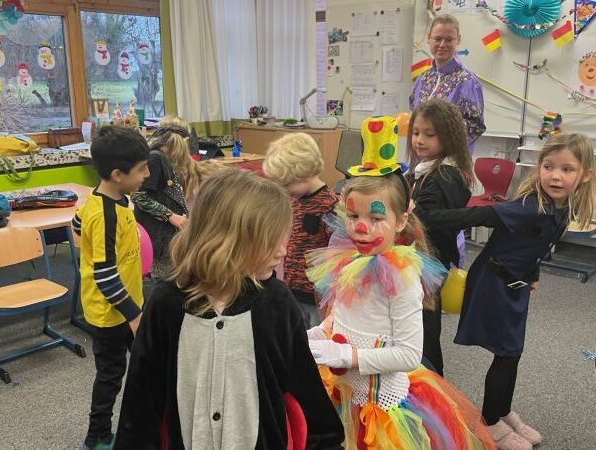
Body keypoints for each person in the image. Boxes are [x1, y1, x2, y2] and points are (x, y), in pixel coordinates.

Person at [114, 169, 345, 450]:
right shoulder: (167, 303)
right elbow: (142, 398)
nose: (282, 252)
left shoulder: (277, 302)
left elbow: (305, 386)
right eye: (270, 241)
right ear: (229, 240)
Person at [306, 117, 495, 449]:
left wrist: (349, 355)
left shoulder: (400, 277)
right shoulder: (349, 262)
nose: (361, 228)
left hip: (381, 409)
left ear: (400, 220)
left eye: (376, 218)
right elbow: (340, 316)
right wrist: (316, 334)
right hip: (343, 393)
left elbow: (409, 355)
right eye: (353, 216)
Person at [414, 133, 595, 450]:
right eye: (549, 166)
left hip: (516, 283)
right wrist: (423, 217)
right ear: (540, 168)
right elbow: (475, 216)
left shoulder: (562, 206)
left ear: (585, 175)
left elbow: (536, 242)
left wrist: (533, 272)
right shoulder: (528, 207)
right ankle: (491, 423)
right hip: (494, 282)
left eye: (567, 169)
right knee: (507, 353)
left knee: (513, 352)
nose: (555, 176)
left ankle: (502, 410)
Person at [72, 126, 150, 450]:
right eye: (142, 169)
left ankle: (144, 423)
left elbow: (77, 222)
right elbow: (104, 277)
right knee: (110, 375)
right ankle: (97, 436)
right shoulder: (105, 214)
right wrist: (134, 315)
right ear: (118, 174)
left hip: (127, 304)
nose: (147, 174)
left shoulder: (109, 198)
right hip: (111, 314)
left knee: (146, 363)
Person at [406, 98, 474, 376]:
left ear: (448, 137)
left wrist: (407, 210)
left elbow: (428, 218)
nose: (419, 140)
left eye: (429, 134)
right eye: (416, 133)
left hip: (429, 261)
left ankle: (431, 381)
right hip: (422, 259)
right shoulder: (427, 169)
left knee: (425, 327)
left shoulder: (445, 175)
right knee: (417, 323)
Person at [132, 115, 224, 278]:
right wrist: (170, 215)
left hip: (167, 236)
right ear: (183, 141)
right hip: (158, 237)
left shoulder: (162, 159)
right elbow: (138, 196)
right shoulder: (156, 158)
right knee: (165, 278)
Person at [263, 132, 338, 327]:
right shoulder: (294, 199)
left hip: (315, 293)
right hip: (292, 286)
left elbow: (338, 253)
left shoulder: (329, 205)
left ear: (306, 174)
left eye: (287, 184)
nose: (284, 190)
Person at [409, 14, 485, 153]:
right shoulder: (422, 79)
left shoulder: (468, 81)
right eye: (437, 39)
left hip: (451, 160)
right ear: (429, 38)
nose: (442, 44)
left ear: (458, 40)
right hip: (421, 159)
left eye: (449, 39)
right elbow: (415, 117)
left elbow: (476, 126)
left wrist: (441, 141)